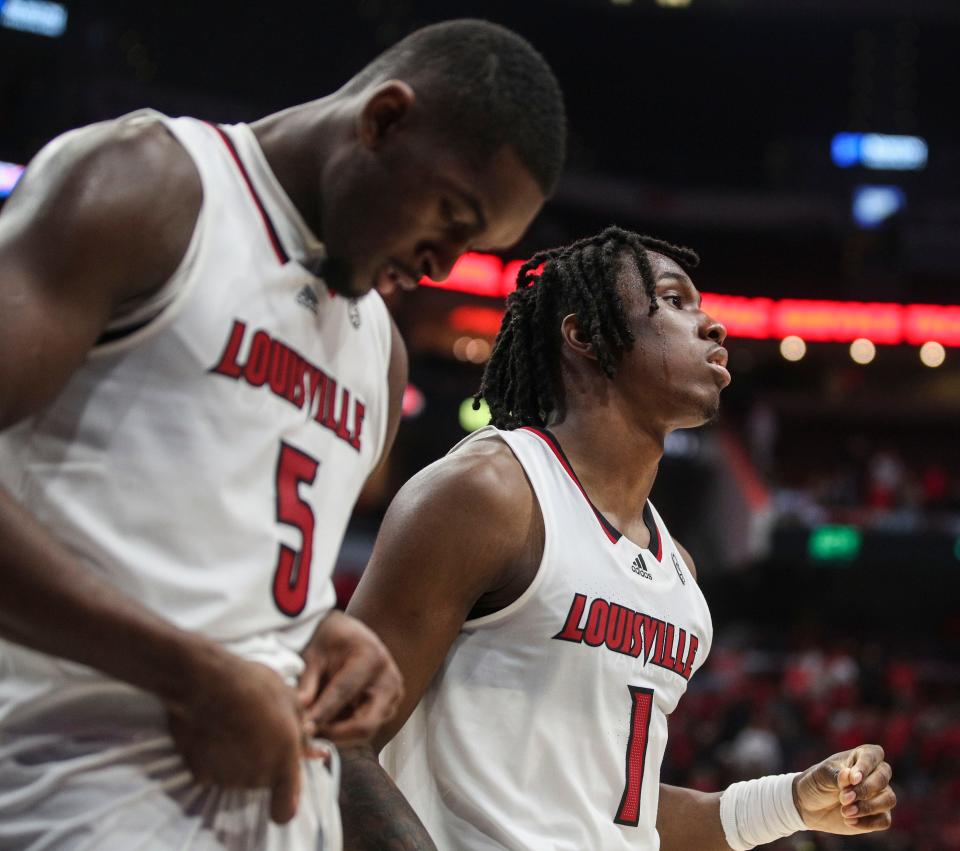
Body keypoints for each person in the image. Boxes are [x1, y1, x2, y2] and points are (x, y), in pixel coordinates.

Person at [0, 19, 565, 850]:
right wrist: (189, 677)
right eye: (450, 215)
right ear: (383, 121)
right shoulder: (153, 186)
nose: (443, 264)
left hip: (272, 818)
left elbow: (219, 572)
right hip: (66, 797)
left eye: (472, 243)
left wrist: (321, 631)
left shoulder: (380, 353)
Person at [339, 227, 896, 850]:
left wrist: (793, 801)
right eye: (675, 301)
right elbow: (337, 740)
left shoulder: (678, 572)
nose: (712, 326)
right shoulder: (490, 494)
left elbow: (617, 814)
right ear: (585, 335)